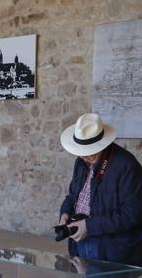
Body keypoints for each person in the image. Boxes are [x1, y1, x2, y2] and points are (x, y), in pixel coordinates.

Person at [59, 113, 142, 265]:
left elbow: (132, 214)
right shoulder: (81, 162)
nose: (83, 156)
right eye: (81, 151)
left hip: (114, 251)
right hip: (81, 242)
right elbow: (73, 196)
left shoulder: (126, 166)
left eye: (88, 151)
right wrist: (65, 213)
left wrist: (89, 226)